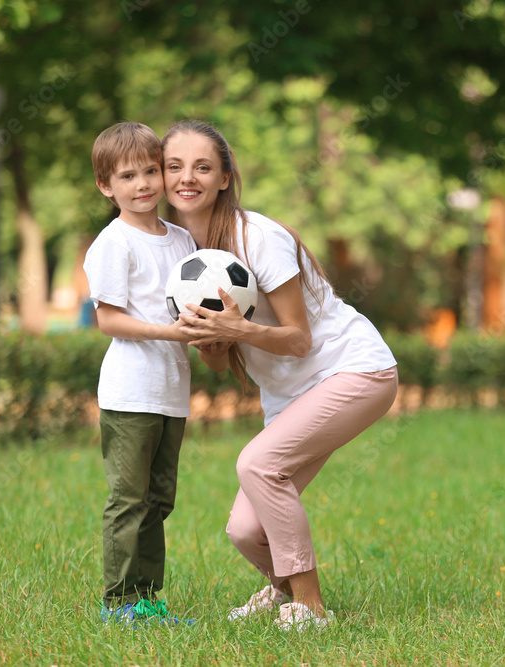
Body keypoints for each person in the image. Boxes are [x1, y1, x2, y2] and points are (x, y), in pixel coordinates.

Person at [161, 119, 398, 632]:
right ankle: (283, 590)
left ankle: (310, 607)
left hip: (353, 369)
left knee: (259, 464)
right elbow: (220, 359)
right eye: (174, 166)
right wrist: (217, 339)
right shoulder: (183, 255)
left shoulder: (258, 236)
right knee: (245, 530)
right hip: (289, 396)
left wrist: (239, 328)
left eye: (203, 166)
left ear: (225, 177)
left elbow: (299, 337)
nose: (187, 177)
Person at [83, 121, 197, 624]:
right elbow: (108, 318)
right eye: (127, 176)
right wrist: (171, 333)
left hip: (172, 391)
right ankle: (119, 604)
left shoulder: (182, 239)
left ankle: (148, 601)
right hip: (131, 391)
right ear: (107, 186)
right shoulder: (114, 243)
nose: (144, 184)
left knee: (159, 500)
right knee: (128, 500)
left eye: (151, 171)